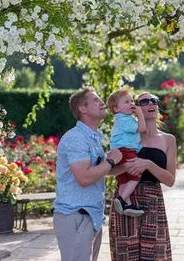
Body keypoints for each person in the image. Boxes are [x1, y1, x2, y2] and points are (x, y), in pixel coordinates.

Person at [53, 87, 125, 261]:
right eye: (96, 100)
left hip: (91, 216)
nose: (102, 102)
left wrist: (131, 165)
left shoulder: (92, 137)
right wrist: (111, 161)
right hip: (76, 216)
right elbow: (84, 177)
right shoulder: (76, 138)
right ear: (82, 109)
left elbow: (97, 171)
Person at [109, 92, 176, 261]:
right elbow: (109, 171)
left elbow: (170, 180)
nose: (151, 103)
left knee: (154, 255)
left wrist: (148, 164)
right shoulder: (127, 134)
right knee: (126, 254)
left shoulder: (168, 140)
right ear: (134, 108)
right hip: (126, 200)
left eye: (154, 100)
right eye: (144, 101)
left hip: (154, 203)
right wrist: (126, 166)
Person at [107, 88, 146, 217]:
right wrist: (140, 114)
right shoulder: (125, 120)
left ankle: (127, 205)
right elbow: (141, 129)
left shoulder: (122, 118)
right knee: (136, 175)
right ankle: (122, 199)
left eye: (132, 101)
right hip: (126, 150)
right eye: (127, 102)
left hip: (119, 151)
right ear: (116, 109)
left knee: (124, 180)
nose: (132, 104)